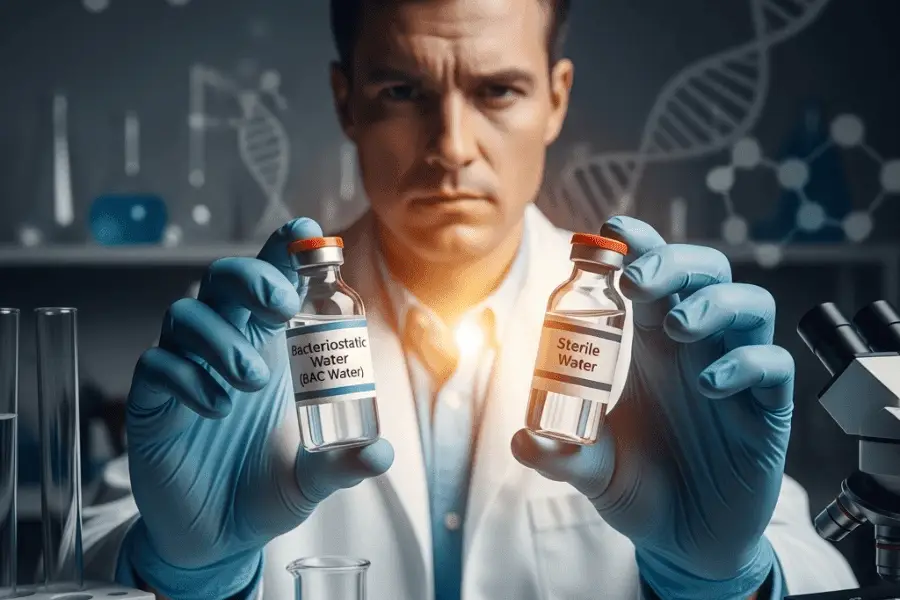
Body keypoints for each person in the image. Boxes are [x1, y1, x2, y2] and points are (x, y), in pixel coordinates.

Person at [83, 0, 859, 598]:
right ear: (345, 99)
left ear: (555, 99)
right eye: (401, 90)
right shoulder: (250, 334)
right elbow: (81, 558)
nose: (451, 144)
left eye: (497, 90)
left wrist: (723, 581)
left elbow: (811, 566)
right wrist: (187, 572)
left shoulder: (655, 335)